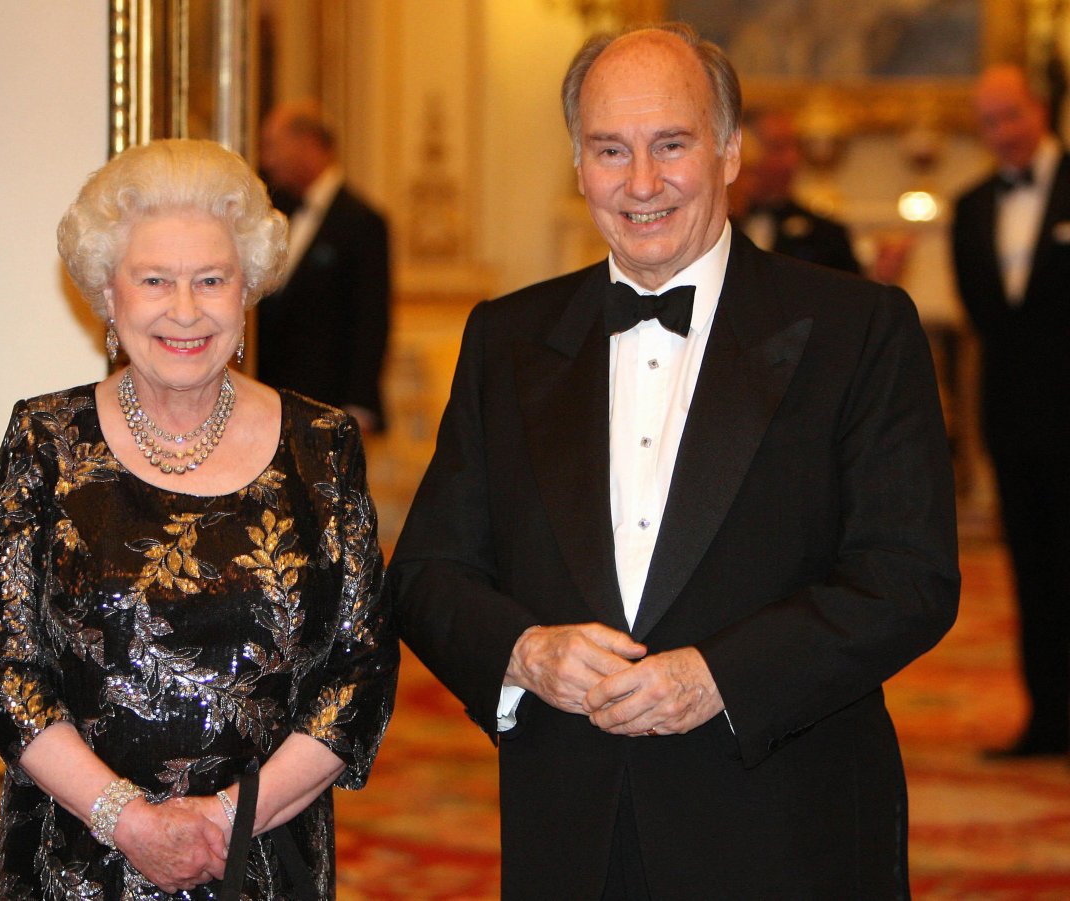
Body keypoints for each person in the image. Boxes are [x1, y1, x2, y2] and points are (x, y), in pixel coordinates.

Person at [390, 23, 959, 898]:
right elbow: (430, 574)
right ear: (577, 164)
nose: (642, 183)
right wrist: (525, 651)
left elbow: (909, 576)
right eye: (610, 149)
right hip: (571, 830)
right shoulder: (506, 338)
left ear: (730, 151)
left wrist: (717, 676)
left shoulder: (858, 329)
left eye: (672, 145)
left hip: (785, 826)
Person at [0, 139, 399, 900]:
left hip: (262, 863)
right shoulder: (46, 443)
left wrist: (226, 820)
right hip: (74, 865)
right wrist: (128, 819)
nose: (186, 310)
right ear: (108, 291)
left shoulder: (322, 447)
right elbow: (3, 669)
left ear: (247, 289)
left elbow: (359, 674)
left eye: (211, 280)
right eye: (155, 280)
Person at [952, 64, 1070, 758]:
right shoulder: (970, 207)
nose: (1003, 134)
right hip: (1016, 422)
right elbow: (983, 316)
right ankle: (1048, 718)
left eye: (1012, 116)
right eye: (989, 122)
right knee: (1034, 573)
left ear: (1040, 110)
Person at [256, 100, 391, 434]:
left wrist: (359, 407)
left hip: (328, 406)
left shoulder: (362, 222)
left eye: (273, 145)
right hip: (269, 402)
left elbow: (371, 319)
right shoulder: (273, 212)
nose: (266, 159)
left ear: (308, 143)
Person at [733, 108, 862, 274]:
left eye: (795, 147)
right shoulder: (716, 227)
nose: (792, 160)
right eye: (778, 148)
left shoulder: (826, 235)